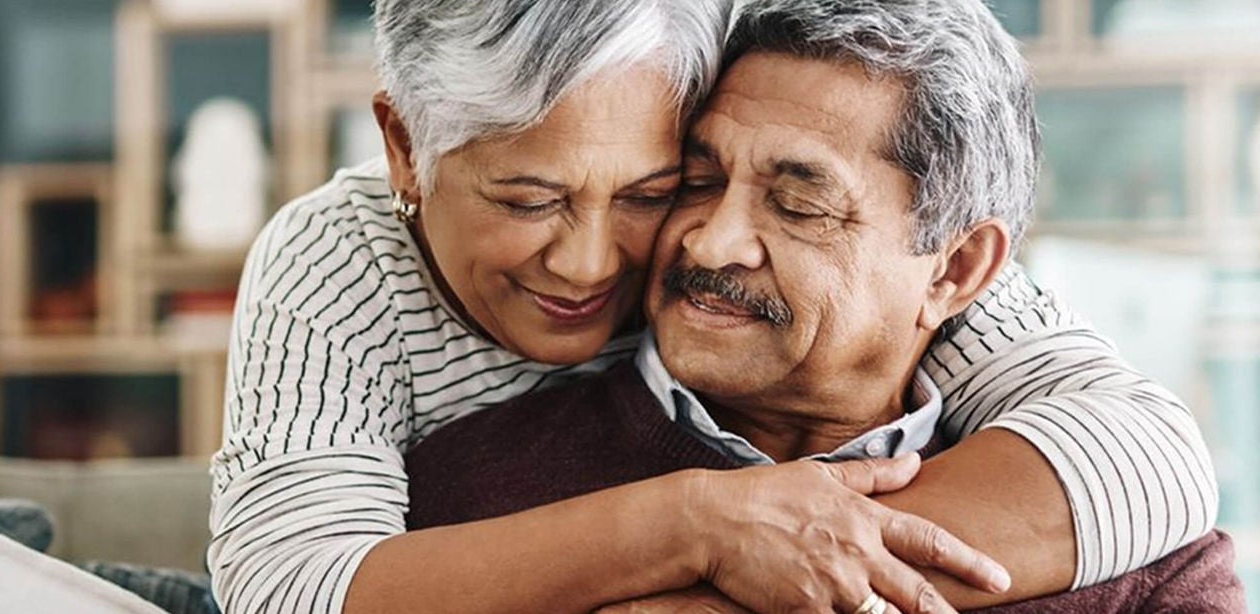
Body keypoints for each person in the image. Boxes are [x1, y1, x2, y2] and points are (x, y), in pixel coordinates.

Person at [208, 1, 1218, 612]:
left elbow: (1145, 448)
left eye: (652, 188)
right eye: (527, 198)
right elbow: (292, 587)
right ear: (402, 151)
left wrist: (753, 581)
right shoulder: (347, 277)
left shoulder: (944, 313)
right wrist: (697, 524)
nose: (593, 260)